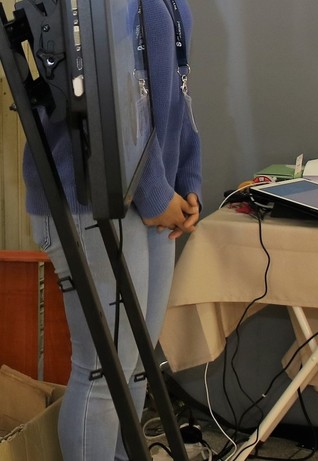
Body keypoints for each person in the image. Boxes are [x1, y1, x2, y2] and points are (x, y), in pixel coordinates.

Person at [22, 0, 202, 459]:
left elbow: (175, 86)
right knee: (105, 371)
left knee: (135, 366)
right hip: (91, 193)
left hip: (152, 192)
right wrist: (156, 194)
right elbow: (107, 91)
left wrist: (187, 177)